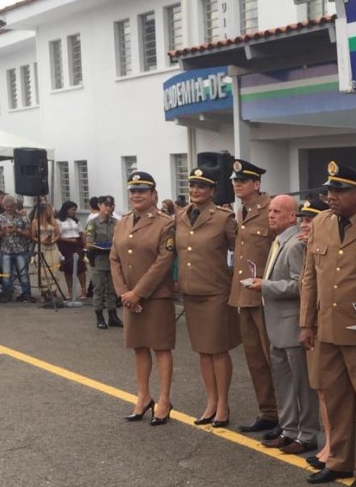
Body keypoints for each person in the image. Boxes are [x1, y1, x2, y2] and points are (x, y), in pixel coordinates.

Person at [299, 162, 356, 487]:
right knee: (334, 399)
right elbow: (309, 277)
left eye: (339, 191)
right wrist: (306, 322)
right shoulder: (321, 222)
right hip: (326, 326)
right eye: (330, 190)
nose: (331, 196)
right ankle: (338, 460)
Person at [110, 170, 177, 426]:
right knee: (138, 346)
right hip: (129, 297)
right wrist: (123, 293)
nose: (136, 195)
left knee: (161, 347)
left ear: (153, 194)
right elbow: (114, 258)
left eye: (142, 191)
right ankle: (143, 396)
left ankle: (164, 400)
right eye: (133, 191)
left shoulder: (165, 223)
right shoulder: (122, 222)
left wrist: (138, 292)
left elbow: (164, 261)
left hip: (155, 296)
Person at [177, 167, 240, 427]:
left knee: (217, 350)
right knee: (202, 351)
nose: (195, 190)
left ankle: (223, 404)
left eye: (201, 186)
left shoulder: (224, 218)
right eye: (192, 185)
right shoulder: (180, 216)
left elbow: (240, 252)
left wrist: (235, 283)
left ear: (212, 190)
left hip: (215, 292)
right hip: (191, 292)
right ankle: (211, 401)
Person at [260, 194, 319, 454]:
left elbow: (299, 285)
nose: (271, 215)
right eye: (270, 211)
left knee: (301, 385)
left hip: (293, 324)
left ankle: (307, 434)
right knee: (284, 383)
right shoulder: (279, 241)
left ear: (292, 216)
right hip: (277, 325)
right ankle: (289, 430)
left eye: (277, 211)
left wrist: (264, 285)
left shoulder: (296, 244)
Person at [227, 158, 280, 435]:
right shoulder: (241, 212)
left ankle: (288, 416)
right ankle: (268, 412)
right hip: (244, 296)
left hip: (267, 297)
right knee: (255, 360)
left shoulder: (271, 209)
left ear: (256, 184)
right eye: (235, 181)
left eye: (243, 181)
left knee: (275, 360)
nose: (237, 185)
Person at [296, 197, 333, 470]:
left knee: (329, 391)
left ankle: (333, 445)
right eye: (304, 220)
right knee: (320, 389)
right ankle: (330, 442)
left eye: (311, 220)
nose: (305, 225)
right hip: (315, 323)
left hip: (328, 323)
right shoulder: (306, 247)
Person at [85, 196, 122, 328]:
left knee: (112, 289)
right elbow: (89, 242)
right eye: (106, 205)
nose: (109, 208)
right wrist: (98, 246)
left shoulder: (116, 223)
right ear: (99, 205)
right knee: (99, 289)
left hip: (112, 259)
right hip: (98, 258)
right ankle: (99, 316)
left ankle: (113, 315)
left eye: (111, 205)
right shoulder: (93, 223)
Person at [0, 194, 34, 303]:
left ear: (15, 206)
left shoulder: (23, 217)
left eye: (11, 206)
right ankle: (7, 294)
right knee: (6, 274)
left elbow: (29, 234)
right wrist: (2, 232)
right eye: (7, 206)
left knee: (23, 274)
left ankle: (26, 294)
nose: (9, 208)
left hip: (21, 249)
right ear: (4, 206)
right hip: (6, 250)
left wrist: (17, 230)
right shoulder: (0, 218)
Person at [30, 200, 63, 301]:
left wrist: (53, 240)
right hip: (41, 246)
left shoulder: (53, 221)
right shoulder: (35, 222)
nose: (51, 212)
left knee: (53, 269)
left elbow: (58, 235)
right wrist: (41, 240)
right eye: (49, 210)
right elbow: (33, 236)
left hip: (52, 246)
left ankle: (53, 291)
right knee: (43, 269)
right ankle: (44, 291)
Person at [57, 201, 87, 299]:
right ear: (66, 209)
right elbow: (58, 236)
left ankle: (83, 290)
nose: (73, 212)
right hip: (65, 245)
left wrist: (85, 245)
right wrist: (69, 240)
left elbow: (82, 233)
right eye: (72, 210)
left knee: (80, 267)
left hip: (77, 244)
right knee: (68, 268)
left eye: (75, 210)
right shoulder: (59, 221)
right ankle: (70, 290)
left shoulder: (76, 221)